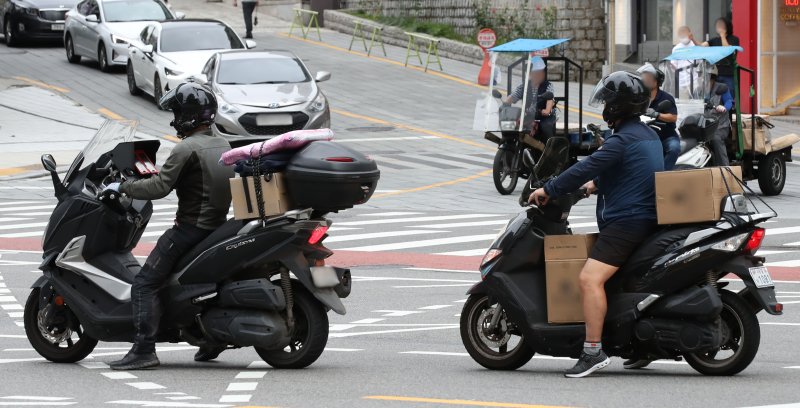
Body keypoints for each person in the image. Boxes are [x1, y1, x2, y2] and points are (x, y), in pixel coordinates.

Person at [529, 71, 664, 378]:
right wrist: (598, 185)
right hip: (643, 218)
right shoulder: (647, 136)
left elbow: (583, 168)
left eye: (606, 101)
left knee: (589, 280)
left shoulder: (621, 141)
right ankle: (638, 345)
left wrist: (548, 190)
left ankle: (592, 351)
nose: (603, 106)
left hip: (627, 223)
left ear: (617, 106)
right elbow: (634, 174)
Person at [106, 82, 234, 370]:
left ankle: (143, 350)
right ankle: (211, 340)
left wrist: (124, 186)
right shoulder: (222, 143)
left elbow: (160, 186)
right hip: (217, 226)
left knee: (144, 283)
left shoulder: (186, 148)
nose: (174, 119)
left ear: (188, 116)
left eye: (177, 112)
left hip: (190, 229)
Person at [637, 63, 681, 170]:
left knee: (674, 148)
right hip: (646, 137)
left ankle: (663, 176)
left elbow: (673, 117)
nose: (644, 81)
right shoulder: (639, 97)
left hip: (666, 136)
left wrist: (657, 115)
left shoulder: (666, 98)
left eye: (648, 78)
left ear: (655, 82)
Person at [504, 56, 558, 141]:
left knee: (546, 126)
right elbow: (514, 95)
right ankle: (510, 144)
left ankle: (551, 147)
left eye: (538, 72)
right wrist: (505, 103)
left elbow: (550, 99)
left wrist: (547, 110)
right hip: (529, 114)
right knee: (512, 125)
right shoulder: (525, 85)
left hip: (544, 116)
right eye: (533, 72)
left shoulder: (548, 85)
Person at [702, 17, 739, 101]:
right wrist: (692, 39)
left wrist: (723, 36)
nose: (719, 27)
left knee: (729, 94)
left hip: (728, 73)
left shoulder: (734, 39)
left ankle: (729, 110)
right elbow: (702, 46)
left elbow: (727, 50)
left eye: (721, 25)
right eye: (718, 25)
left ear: (727, 26)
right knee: (713, 95)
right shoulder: (714, 40)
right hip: (716, 73)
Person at [707, 65, 733, 166]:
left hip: (720, 126)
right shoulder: (698, 90)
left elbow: (729, 101)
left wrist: (724, 107)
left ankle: (725, 167)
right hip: (703, 126)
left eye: (707, 78)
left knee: (716, 138)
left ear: (713, 78)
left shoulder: (722, 88)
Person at [671, 26, 699, 98]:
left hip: (694, 82)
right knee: (683, 105)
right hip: (681, 83)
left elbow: (700, 61)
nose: (683, 38)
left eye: (684, 35)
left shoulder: (695, 46)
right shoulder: (676, 49)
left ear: (690, 34)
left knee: (695, 103)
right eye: (681, 36)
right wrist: (671, 66)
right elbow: (673, 66)